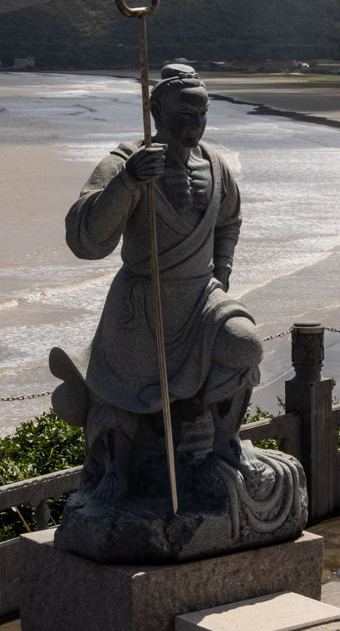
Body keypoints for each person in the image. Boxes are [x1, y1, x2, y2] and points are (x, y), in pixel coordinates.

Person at [48, 64, 304, 562]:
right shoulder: (126, 160)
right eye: (185, 112)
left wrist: (223, 271)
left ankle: (222, 446)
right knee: (129, 392)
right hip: (143, 302)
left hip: (203, 296)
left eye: (203, 111)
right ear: (157, 110)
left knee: (244, 344)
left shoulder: (216, 163)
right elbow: (86, 240)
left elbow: (229, 221)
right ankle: (118, 470)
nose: (196, 122)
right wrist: (127, 182)